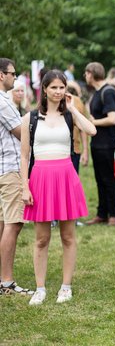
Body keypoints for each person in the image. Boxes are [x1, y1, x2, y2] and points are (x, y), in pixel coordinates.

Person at [20, 70, 96, 305]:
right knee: (41, 238)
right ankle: (40, 288)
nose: (58, 91)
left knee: (68, 236)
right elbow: (24, 156)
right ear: (44, 89)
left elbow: (91, 130)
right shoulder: (30, 118)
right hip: (40, 177)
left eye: (61, 87)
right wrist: (25, 186)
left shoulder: (69, 116)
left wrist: (73, 109)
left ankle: (66, 286)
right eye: (53, 87)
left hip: (65, 176)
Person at [0, 58, 33, 296]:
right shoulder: (3, 102)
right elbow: (22, 133)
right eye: (12, 73)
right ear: (1, 75)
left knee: (3, 224)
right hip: (10, 168)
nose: (14, 77)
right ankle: (7, 282)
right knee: (14, 223)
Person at [84, 62, 115, 226]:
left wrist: (94, 122)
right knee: (99, 178)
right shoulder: (96, 92)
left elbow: (112, 118)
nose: (85, 76)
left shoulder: (108, 91)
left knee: (108, 179)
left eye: (86, 73)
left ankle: (113, 214)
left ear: (91, 73)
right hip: (97, 143)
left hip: (107, 143)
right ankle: (101, 213)